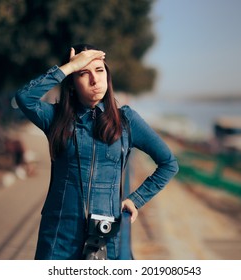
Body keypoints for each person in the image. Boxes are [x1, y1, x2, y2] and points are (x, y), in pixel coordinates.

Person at [15, 44, 179, 260]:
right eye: (84, 73)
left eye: (99, 71)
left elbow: (168, 164)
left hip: (106, 238)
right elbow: (24, 98)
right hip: (58, 237)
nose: (95, 80)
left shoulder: (126, 121)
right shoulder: (55, 118)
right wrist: (69, 66)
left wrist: (136, 199)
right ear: (72, 83)